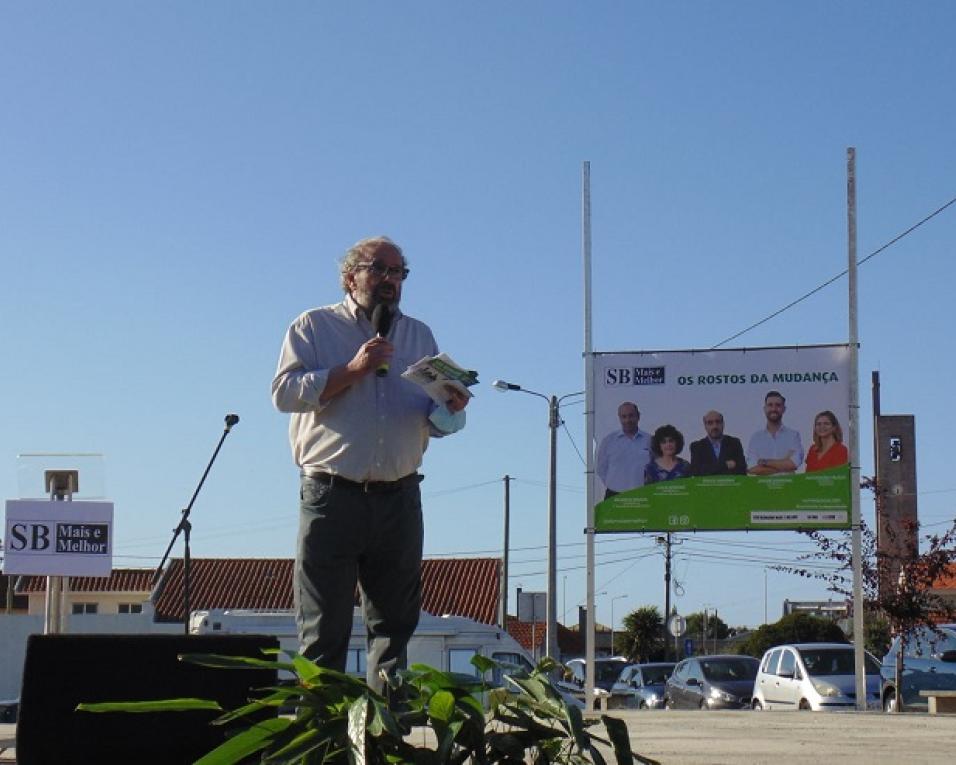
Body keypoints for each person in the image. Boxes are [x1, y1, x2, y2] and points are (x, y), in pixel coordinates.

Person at [271, 236, 469, 692]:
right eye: (378, 269)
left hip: (399, 497)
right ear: (349, 276)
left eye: (398, 272)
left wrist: (452, 408)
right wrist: (353, 369)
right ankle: (323, 748)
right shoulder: (314, 326)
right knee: (323, 633)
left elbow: (436, 424)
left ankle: (383, 744)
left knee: (394, 633)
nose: (389, 281)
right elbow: (283, 394)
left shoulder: (420, 336)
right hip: (330, 496)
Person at [596, 402, 652, 498]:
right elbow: (601, 469)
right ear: (619, 418)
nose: (627, 420)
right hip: (614, 496)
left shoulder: (650, 440)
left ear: (638, 416)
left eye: (631, 416)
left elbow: (657, 467)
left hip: (643, 495)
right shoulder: (609, 441)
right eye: (624, 416)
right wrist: (615, 485)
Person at [747, 390, 804, 475]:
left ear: (784, 409)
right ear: (765, 409)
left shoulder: (793, 435)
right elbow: (752, 468)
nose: (774, 409)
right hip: (763, 487)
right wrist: (785, 466)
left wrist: (765, 462)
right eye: (770, 405)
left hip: (789, 487)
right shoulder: (756, 438)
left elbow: (794, 464)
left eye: (778, 405)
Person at [689, 410, 747, 476]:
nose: (715, 426)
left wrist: (710, 469)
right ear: (705, 426)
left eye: (718, 422)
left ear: (723, 424)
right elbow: (696, 471)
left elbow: (742, 470)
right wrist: (725, 465)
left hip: (730, 485)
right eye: (710, 423)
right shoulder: (697, 446)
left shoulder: (734, 443)